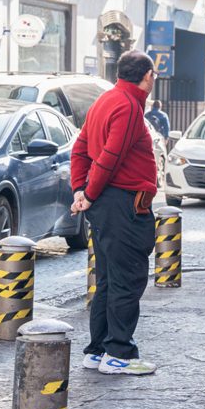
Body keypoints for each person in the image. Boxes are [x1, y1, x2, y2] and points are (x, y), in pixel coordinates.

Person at [71, 51, 160, 376]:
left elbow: (80, 148)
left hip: (108, 202)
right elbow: (109, 156)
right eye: (154, 75)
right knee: (127, 279)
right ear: (147, 76)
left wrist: (81, 191)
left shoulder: (107, 99)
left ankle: (98, 350)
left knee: (109, 280)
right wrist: (87, 193)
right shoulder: (126, 105)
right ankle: (119, 354)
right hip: (121, 204)